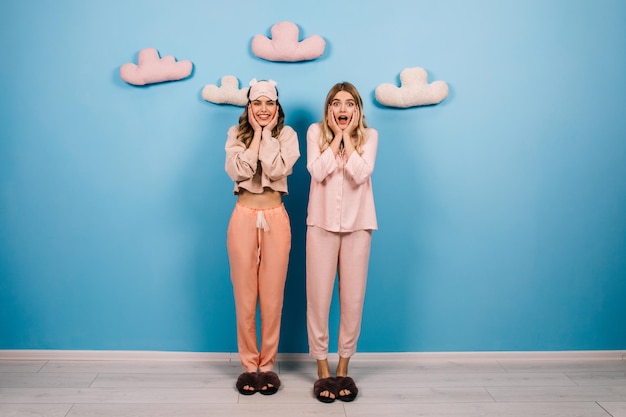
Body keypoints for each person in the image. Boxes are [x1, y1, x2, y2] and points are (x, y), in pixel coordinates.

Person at [224, 79, 300, 396]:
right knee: (244, 298)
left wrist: (266, 135)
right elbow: (239, 172)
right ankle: (248, 367)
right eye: (258, 103)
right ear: (249, 107)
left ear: (277, 106)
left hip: (275, 218)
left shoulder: (287, 136)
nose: (264, 109)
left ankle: (266, 366)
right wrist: (255, 135)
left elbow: (276, 167)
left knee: (272, 298)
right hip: (243, 217)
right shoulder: (235, 134)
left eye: (270, 103)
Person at [305, 82, 378, 403]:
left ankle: (343, 367)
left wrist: (348, 138)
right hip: (320, 225)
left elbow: (361, 174)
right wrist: (335, 138)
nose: (343, 109)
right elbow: (316, 171)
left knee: (352, 300)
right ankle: (323, 369)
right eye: (336, 103)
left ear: (358, 110)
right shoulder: (314, 133)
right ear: (329, 109)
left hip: (358, 226)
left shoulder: (370, 136)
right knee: (318, 298)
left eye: (350, 104)